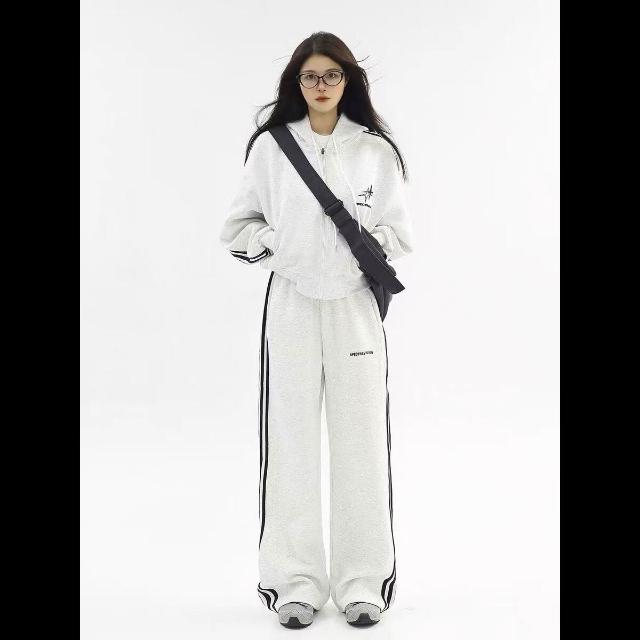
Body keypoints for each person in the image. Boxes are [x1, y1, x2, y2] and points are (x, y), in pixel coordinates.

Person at [219, 31, 414, 628]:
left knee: (361, 444)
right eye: (311, 76)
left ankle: (363, 582)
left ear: (348, 80)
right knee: (290, 443)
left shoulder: (375, 150)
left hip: (355, 308)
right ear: (296, 83)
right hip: (292, 306)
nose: (321, 85)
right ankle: (294, 583)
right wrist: (280, 246)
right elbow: (238, 228)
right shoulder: (272, 148)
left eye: (332, 75)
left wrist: (361, 256)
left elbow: (398, 232)